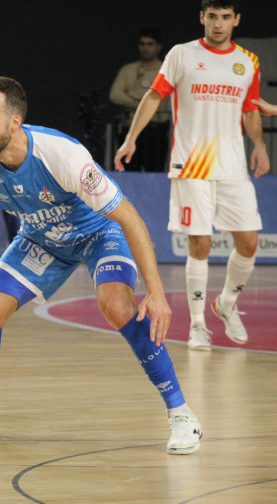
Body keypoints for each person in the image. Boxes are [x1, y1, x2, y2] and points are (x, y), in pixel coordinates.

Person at [0, 76, 202, 455]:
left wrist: (157, 293)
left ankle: (181, 414)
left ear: (14, 123)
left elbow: (129, 218)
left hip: (98, 232)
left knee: (116, 306)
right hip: (41, 238)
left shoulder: (60, 155)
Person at [114, 0, 269, 351]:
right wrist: (131, 139)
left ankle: (226, 303)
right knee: (200, 244)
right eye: (212, 16)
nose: (218, 23)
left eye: (225, 17)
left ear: (236, 20)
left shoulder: (248, 62)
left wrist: (258, 145)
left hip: (232, 167)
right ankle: (198, 324)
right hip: (191, 165)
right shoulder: (181, 55)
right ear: (202, 18)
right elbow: (154, 96)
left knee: (249, 242)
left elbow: (251, 109)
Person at [109, 27, 171, 172]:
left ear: (158, 47)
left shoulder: (165, 68)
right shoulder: (128, 69)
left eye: (150, 44)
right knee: (128, 171)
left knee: (155, 173)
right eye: (142, 44)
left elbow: (160, 100)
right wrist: (141, 104)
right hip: (130, 126)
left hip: (156, 128)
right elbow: (115, 95)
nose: (145, 48)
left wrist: (137, 101)